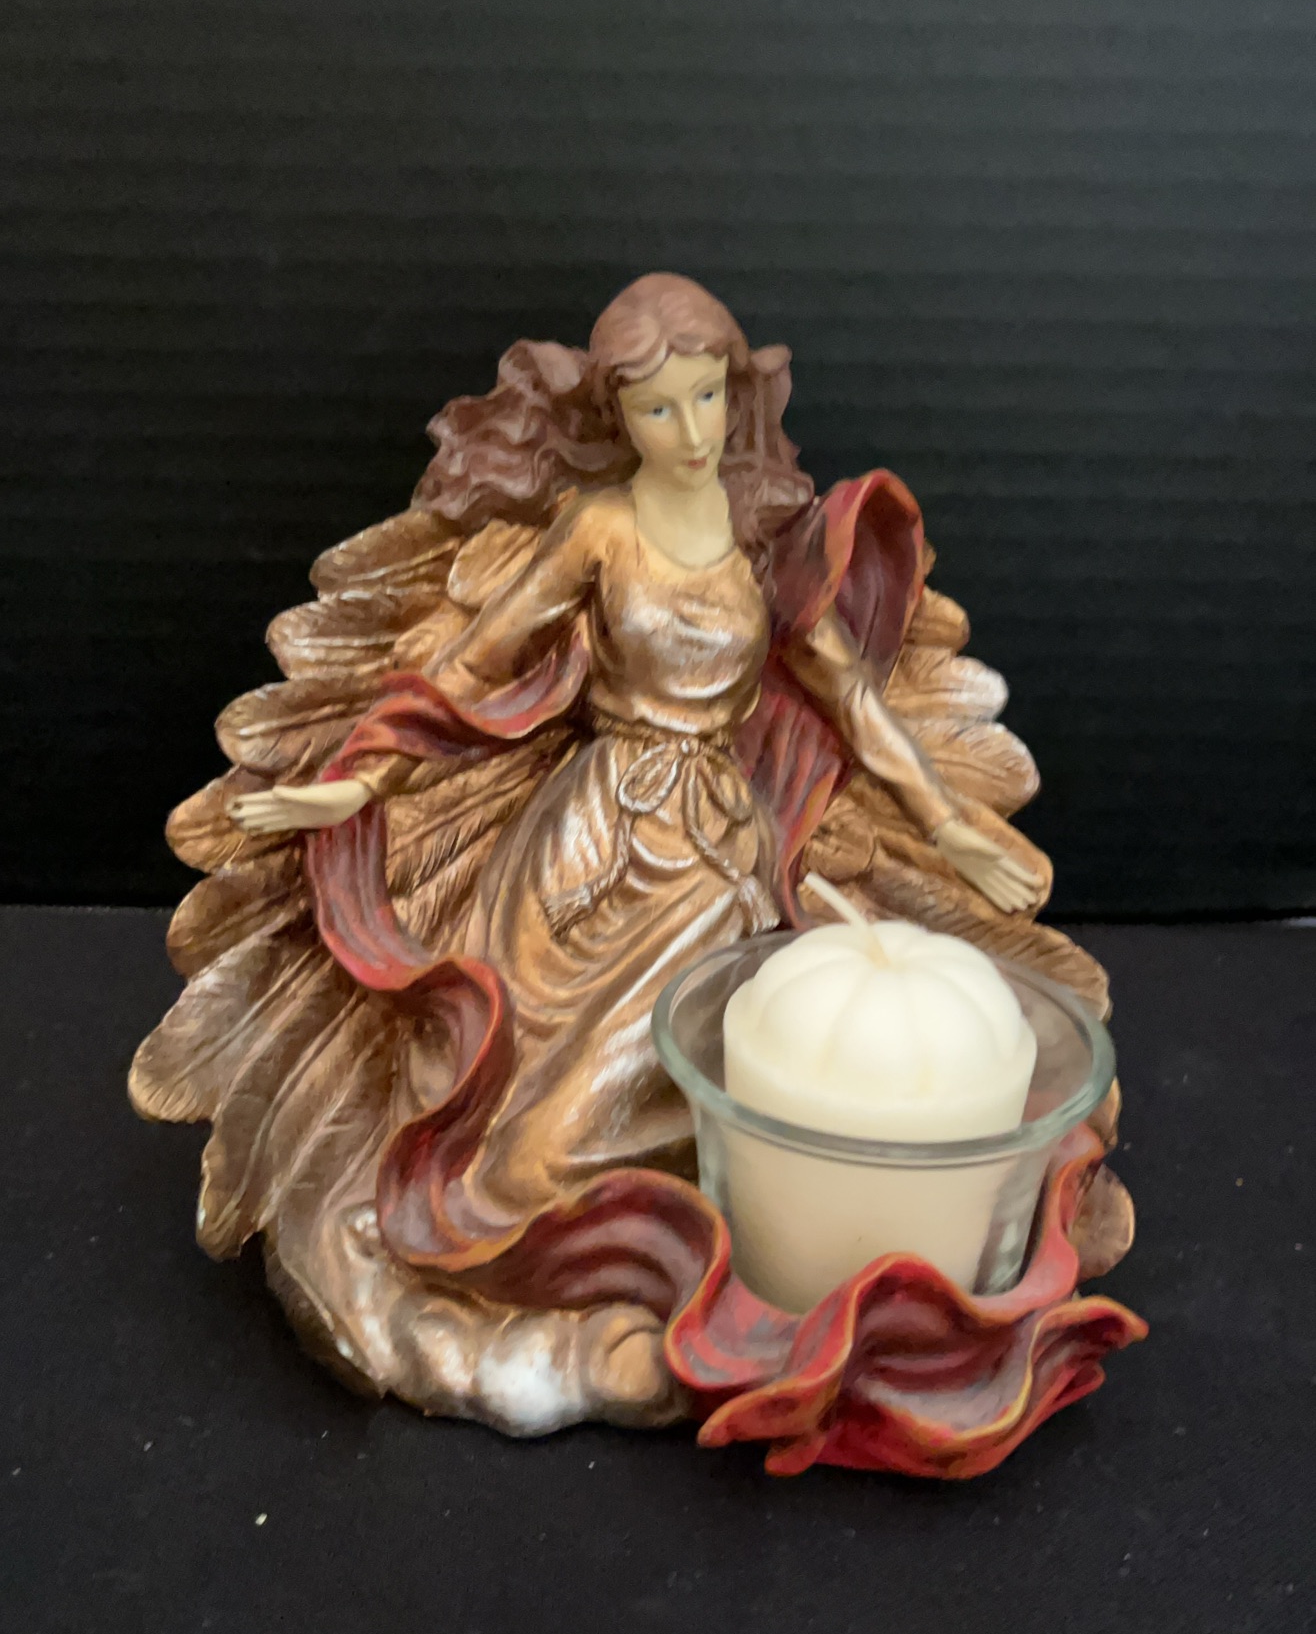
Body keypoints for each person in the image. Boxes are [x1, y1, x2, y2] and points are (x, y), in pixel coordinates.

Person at [131, 275, 1106, 1435]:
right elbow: (477, 663)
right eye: (656, 409)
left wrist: (947, 823)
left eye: (705, 399)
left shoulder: (761, 545)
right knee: (505, 1127)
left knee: (688, 1094)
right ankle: (498, 1267)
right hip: (580, 854)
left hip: (709, 872)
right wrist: (362, 776)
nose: (688, 432)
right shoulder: (598, 528)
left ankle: (681, 1266)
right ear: (617, 418)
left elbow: (848, 699)